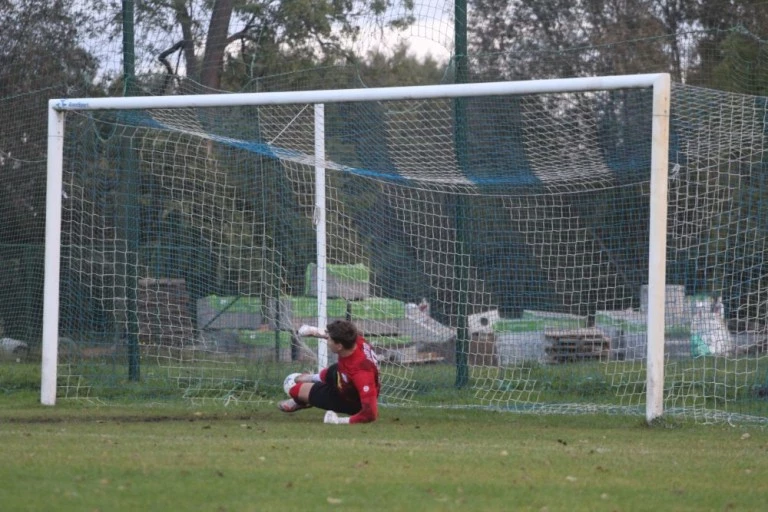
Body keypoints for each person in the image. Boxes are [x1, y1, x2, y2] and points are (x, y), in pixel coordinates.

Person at [279, 320, 380, 424]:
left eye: (329, 340)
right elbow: (337, 335)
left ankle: (303, 401)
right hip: (345, 378)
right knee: (334, 370)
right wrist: (313, 331)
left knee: (294, 390)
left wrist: (339, 421)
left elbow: (370, 414)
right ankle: (312, 378)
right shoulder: (355, 340)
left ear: (339, 346)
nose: (327, 341)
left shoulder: (361, 373)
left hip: (350, 400)